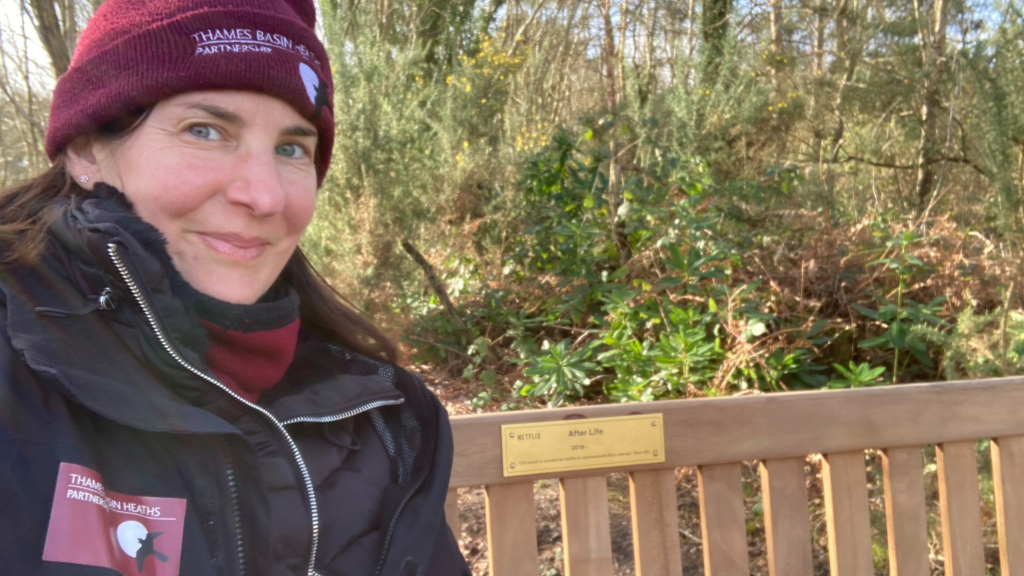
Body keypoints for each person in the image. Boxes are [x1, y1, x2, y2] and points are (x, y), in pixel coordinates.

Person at [0, 1, 471, 575]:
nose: (265, 195)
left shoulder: (385, 418)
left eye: (291, 148)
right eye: (206, 130)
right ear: (85, 148)